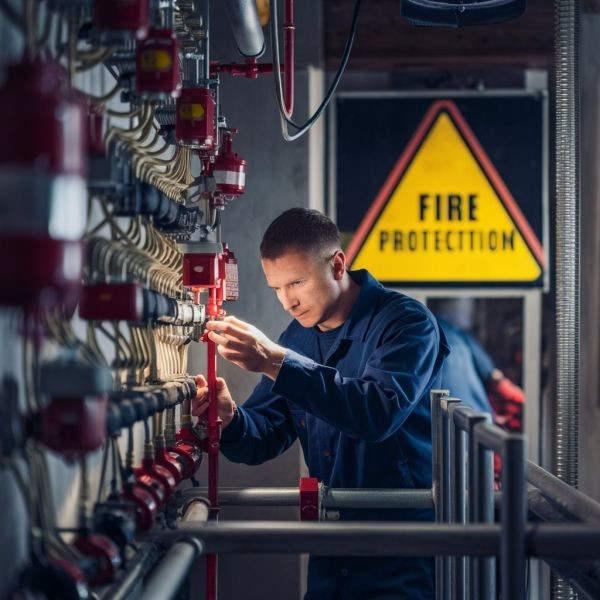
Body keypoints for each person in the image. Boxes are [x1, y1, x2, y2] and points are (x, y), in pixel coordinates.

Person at [193, 208, 449, 599]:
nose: (288, 302)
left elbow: (376, 415)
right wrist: (229, 420)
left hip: (403, 548)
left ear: (338, 264)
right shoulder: (297, 338)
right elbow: (265, 436)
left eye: (297, 282)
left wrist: (275, 361)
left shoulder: (405, 324)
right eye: (276, 288)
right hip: (332, 548)